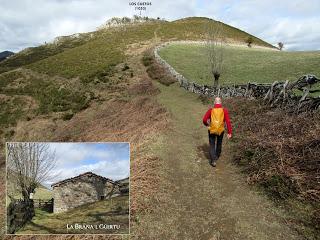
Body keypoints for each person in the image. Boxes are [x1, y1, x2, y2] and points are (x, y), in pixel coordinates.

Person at [202, 97, 232, 167]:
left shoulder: (211, 110)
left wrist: (207, 125)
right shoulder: (224, 110)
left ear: (214, 102)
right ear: (221, 102)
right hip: (221, 130)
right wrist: (229, 132)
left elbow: (204, 119)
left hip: (212, 130)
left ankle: (213, 160)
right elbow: (228, 122)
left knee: (212, 144)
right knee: (219, 143)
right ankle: (216, 156)